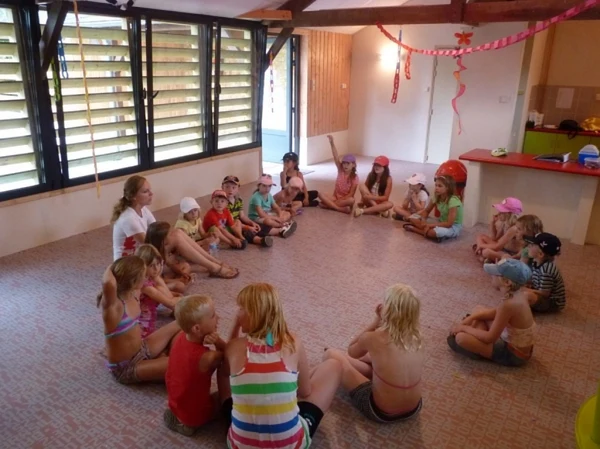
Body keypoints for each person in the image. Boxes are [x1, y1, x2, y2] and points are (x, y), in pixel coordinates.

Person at [223, 283, 342, 448]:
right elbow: (305, 392)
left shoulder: (233, 347)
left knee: (224, 372)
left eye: (241, 308)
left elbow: (227, 366)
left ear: (254, 313)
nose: (237, 313)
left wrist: (235, 326)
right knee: (333, 366)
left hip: (240, 445)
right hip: (289, 445)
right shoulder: (293, 342)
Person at [323, 284, 423, 423]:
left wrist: (376, 322)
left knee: (330, 354)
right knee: (372, 360)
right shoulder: (417, 338)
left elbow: (352, 351)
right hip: (414, 408)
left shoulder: (372, 338)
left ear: (388, 310)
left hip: (381, 412)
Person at [97, 256, 180, 384]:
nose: (146, 277)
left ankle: (164, 358)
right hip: (127, 366)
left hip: (142, 348)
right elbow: (107, 282)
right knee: (181, 363)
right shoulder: (113, 306)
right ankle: (165, 359)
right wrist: (114, 266)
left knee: (181, 323)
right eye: (143, 275)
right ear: (132, 280)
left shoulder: (135, 292)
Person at [448, 258, 535, 367]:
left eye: (495, 274)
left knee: (461, 338)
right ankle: (475, 334)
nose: (491, 276)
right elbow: (495, 313)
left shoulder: (508, 305)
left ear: (507, 282)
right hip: (513, 341)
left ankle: (477, 349)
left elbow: (490, 337)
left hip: (513, 354)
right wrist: (471, 318)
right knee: (478, 310)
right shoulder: (518, 294)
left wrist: (463, 328)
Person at [164, 295, 230, 437]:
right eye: (213, 316)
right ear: (197, 328)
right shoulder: (207, 358)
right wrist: (217, 341)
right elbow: (229, 355)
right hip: (196, 414)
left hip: (175, 402)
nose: (218, 318)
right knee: (231, 396)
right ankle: (188, 425)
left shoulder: (181, 336)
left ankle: (180, 416)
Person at [145, 221, 239, 279]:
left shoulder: (163, 243)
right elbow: (171, 266)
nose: (171, 234)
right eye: (169, 234)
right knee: (178, 239)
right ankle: (213, 267)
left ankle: (215, 262)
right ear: (162, 241)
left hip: (165, 251)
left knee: (178, 232)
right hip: (163, 261)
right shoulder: (153, 254)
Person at [135, 244, 180, 338]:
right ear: (142, 267)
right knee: (179, 328)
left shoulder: (148, 277)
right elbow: (170, 302)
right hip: (142, 328)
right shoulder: (145, 286)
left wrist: (157, 276)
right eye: (151, 265)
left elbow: (167, 294)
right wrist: (184, 301)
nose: (156, 269)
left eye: (158, 264)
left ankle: (178, 311)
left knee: (176, 295)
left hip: (145, 317)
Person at [403, 175, 463, 242]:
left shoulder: (453, 201)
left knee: (433, 232)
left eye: (440, 186)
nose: (436, 188)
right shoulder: (437, 196)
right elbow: (427, 211)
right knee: (412, 218)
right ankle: (428, 232)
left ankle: (415, 230)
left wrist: (429, 225)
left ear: (448, 188)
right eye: (436, 185)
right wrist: (423, 220)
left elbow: (449, 224)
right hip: (440, 221)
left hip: (453, 226)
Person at [222, 175, 275, 248]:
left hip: (239, 222)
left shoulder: (238, 200)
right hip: (230, 226)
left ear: (238, 188)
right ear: (222, 188)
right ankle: (260, 240)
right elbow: (231, 222)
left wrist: (252, 223)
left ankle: (279, 231)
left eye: (233, 187)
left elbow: (242, 216)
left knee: (258, 226)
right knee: (246, 232)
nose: (230, 190)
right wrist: (248, 227)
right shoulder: (223, 203)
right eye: (227, 187)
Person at [111, 175, 156, 260]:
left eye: (150, 190)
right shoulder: (128, 218)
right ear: (133, 196)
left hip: (139, 256)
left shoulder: (143, 209)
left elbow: (157, 229)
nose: (151, 194)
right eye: (145, 191)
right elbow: (148, 245)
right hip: (126, 263)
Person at [523, 232, 566, 312]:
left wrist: (526, 289)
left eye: (531, 245)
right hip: (541, 292)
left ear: (540, 254)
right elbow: (535, 279)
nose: (528, 246)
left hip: (552, 302)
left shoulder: (546, 270)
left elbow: (545, 293)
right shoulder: (536, 261)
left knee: (526, 295)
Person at [318, 135, 359, 214]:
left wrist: (341, 199)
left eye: (348, 164)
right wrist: (332, 143)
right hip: (335, 197)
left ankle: (328, 205)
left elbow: (351, 194)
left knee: (352, 200)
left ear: (353, 165)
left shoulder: (355, 177)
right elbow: (335, 156)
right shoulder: (340, 170)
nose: (345, 166)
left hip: (345, 199)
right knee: (320, 194)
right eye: (344, 163)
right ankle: (338, 208)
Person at [473, 197, 522, 262]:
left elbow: (497, 247)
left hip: (511, 254)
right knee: (481, 236)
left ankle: (484, 254)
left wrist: (481, 245)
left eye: (501, 212)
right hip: (503, 248)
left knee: (486, 252)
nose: (498, 214)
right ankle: (485, 256)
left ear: (509, 214)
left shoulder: (514, 228)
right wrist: (492, 223)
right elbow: (494, 239)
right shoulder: (505, 223)